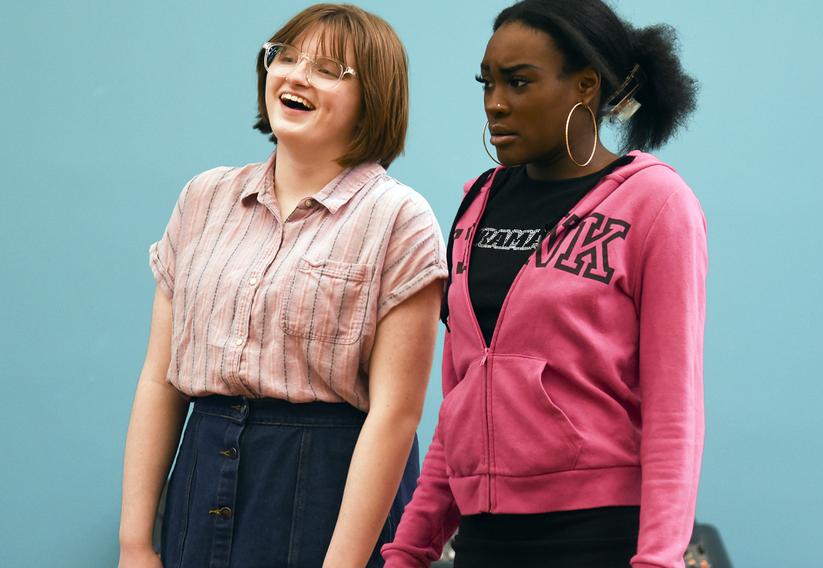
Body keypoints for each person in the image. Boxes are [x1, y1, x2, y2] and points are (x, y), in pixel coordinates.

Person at [118, 4, 447, 567]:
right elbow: (159, 378)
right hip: (202, 473)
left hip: (329, 486)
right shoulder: (204, 198)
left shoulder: (400, 217)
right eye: (285, 57)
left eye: (327, 69)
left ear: (375, 95)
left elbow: (395, 415)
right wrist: (135, 544)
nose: (294, 76)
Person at [382, 1, 706, 567]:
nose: (495, 104)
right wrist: (409, 548)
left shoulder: (656, 204)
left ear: (584, 86)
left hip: (597, 538)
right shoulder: (477, 204)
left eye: (519, 82)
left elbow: (674, 409)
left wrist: (658, 560)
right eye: (487, 84)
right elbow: (461, 401)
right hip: (483, 540)